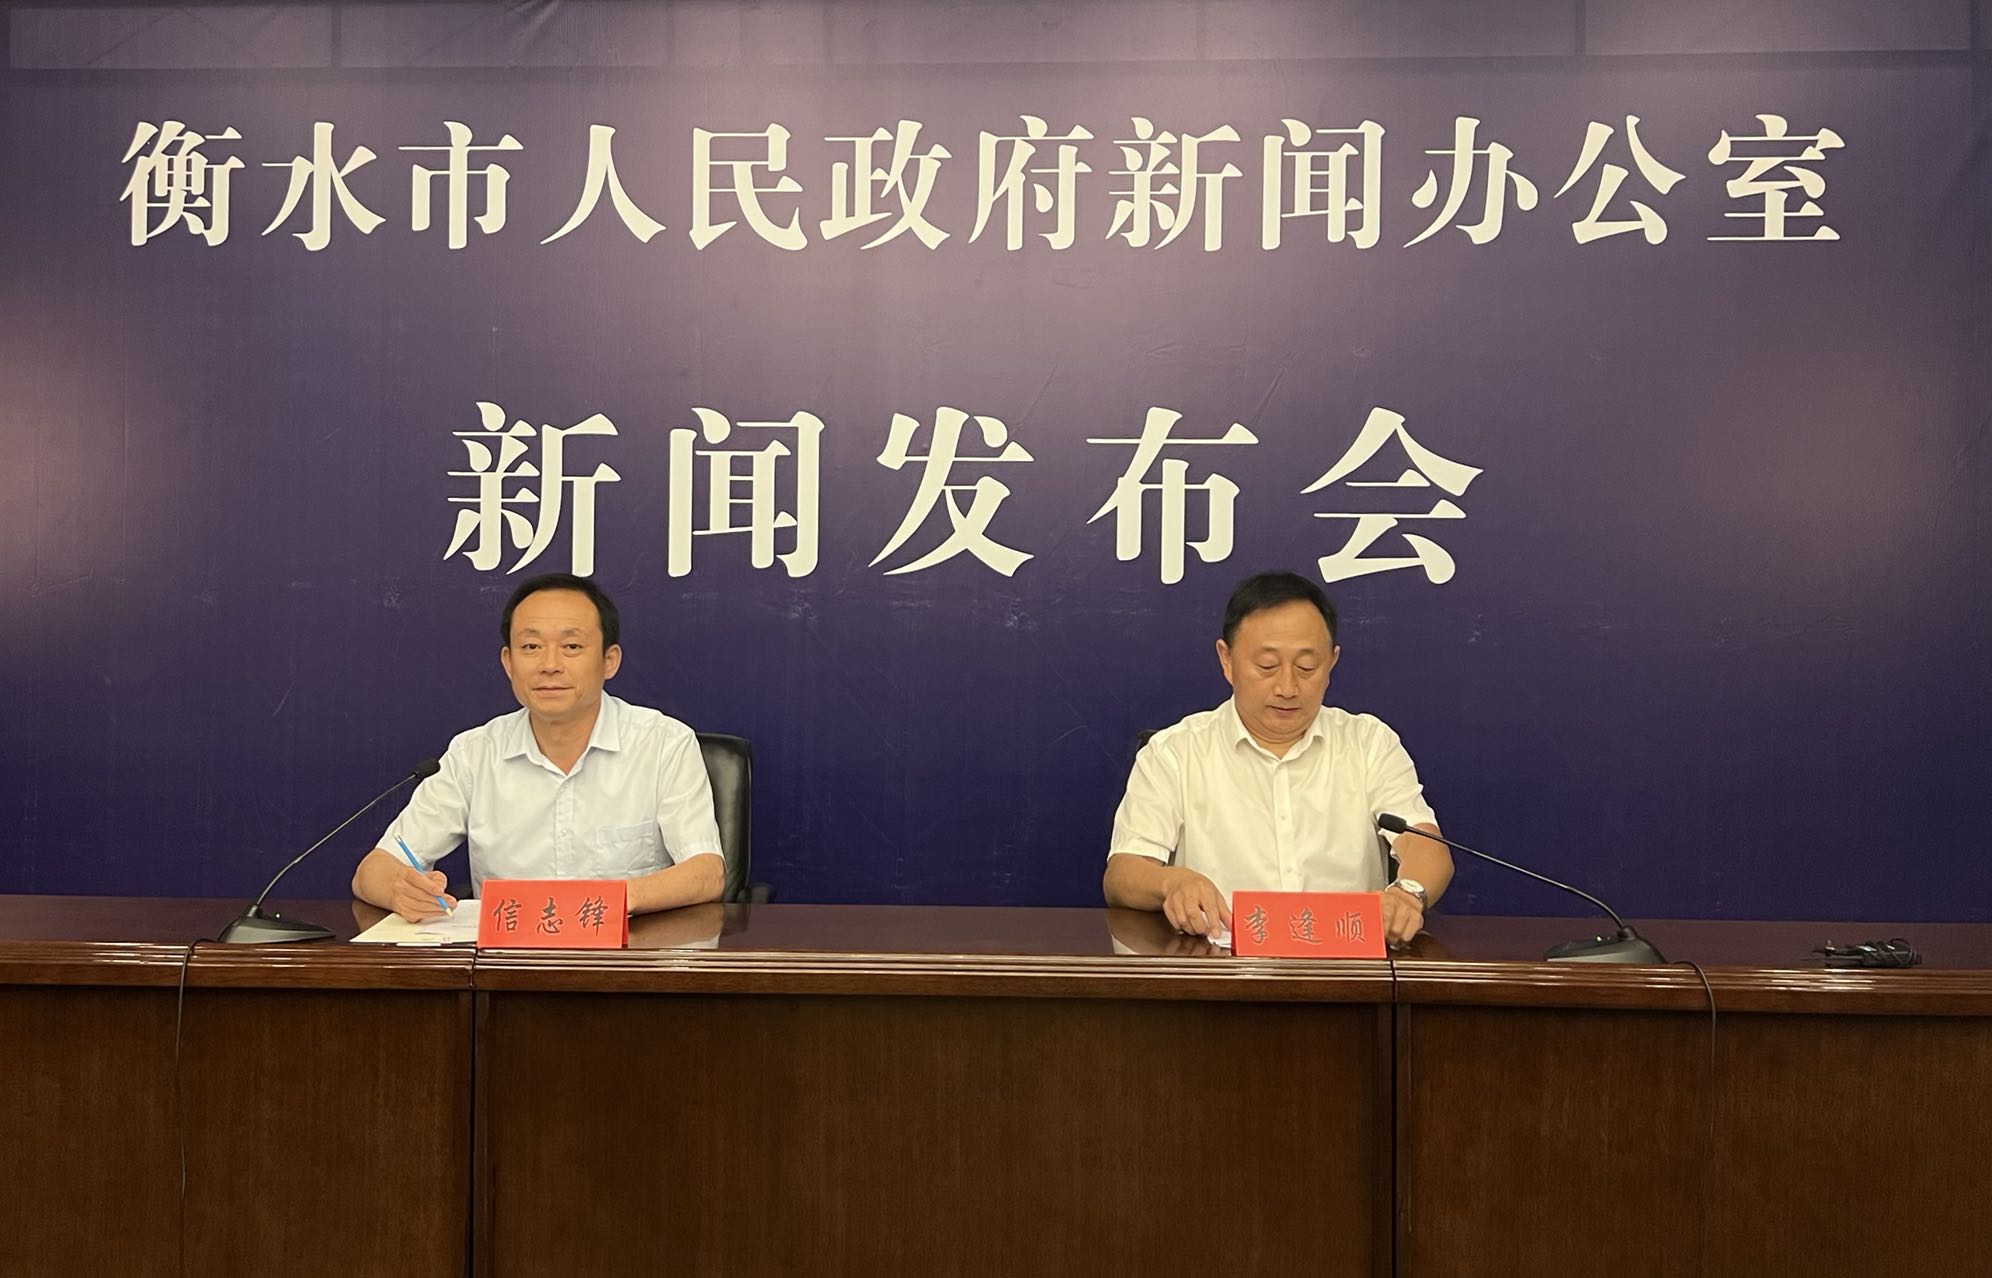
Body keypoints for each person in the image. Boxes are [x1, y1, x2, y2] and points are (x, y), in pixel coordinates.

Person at [1102, 571, 1451, 946]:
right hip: (1219, 966)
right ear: (1227, 660)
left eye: (1306, 667)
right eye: (1267, 666)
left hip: (1347, 965)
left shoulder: (1369, 744)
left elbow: (1425, 845)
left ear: (1332, 663)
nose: (1287, 687)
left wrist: (1407, 894)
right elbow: (1123, 873)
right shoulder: (1174, 752)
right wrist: (1171, 882)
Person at [352, 573, 724, 922]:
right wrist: (401, 890)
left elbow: (707, 873)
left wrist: (602, 904)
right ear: (508, 662)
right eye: (531, 647)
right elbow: (373, 871)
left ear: (609, 661)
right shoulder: (474, 754)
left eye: (571, 646)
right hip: (506, 962)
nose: (549, 665)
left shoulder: (663, 743)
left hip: (626, 956)